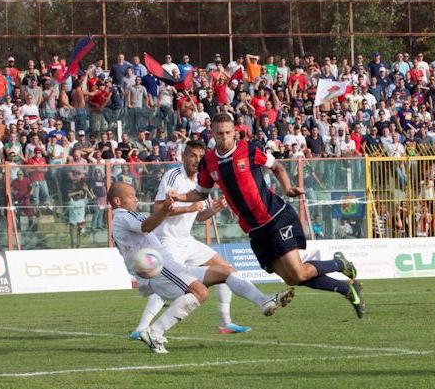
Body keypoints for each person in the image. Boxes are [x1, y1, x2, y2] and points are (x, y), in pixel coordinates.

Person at [170, 113, 365, 318]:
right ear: (213, 134)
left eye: (228, 133)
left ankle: (339, 265)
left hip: (275, 218)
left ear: (234, 132)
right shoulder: (208, 162)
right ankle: (346, 289)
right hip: (255, 229)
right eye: (220, 134)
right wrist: (179, 196)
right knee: (291, 278)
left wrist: (287, 187)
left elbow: (277, 167)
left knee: (298, 272)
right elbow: (200, 193)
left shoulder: (250, 149)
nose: (225, 137)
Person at [109, 182, 292, 353]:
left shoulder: (119, 222)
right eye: (131, 196)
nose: (136, 199)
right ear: (117, 201)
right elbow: (145, 226)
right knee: (200, 292)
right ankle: (154, 332)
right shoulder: (125, 215)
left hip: (164, 265)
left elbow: (143, 232)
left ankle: (264, 301)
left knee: (225, 271)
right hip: (160, 267)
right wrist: (165, 210)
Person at [152, 140, 265, 335]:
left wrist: (212, 210)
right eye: (192, 156)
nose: (197, 160)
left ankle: (225, 323)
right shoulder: (174, 175)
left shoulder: (201, 182)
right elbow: (158, 208)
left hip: (186, 240)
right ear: (184, 157)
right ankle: (143, 327)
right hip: (167, 240)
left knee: (226, 269)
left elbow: (198, 216)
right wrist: (188, 207)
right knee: (170, 283)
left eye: (200, 157)